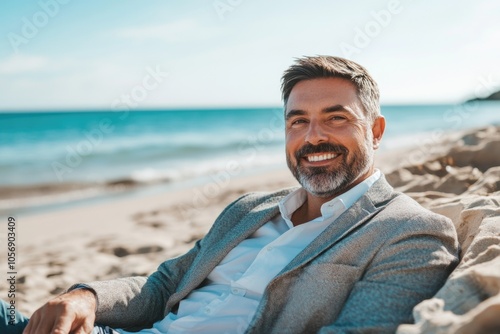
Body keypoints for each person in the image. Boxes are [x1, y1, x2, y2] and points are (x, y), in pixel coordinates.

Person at [2, 56, 459, 334]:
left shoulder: (410, 232)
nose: (313, 137)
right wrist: (85, 297)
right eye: (297, 121)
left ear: (376, 131)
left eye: (336, 118)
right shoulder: (249, 209)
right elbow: (165, 284)